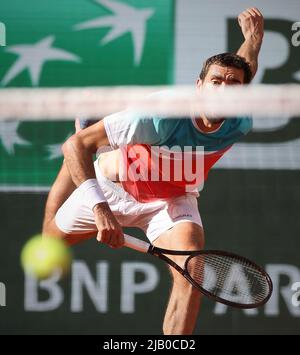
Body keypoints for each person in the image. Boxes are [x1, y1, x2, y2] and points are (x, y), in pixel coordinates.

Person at [42, 8, 264, 335]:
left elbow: (245, 69)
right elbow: (75, 146)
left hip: (171, 201)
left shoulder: (239, 120)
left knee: (193, 273)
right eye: (215, 81)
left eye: (232, 85)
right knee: (53, 234)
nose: (223, 88)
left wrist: (253, 39)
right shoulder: (160, 116)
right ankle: (91, 154)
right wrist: (101, 212)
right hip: (112, 190)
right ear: (199, 86)